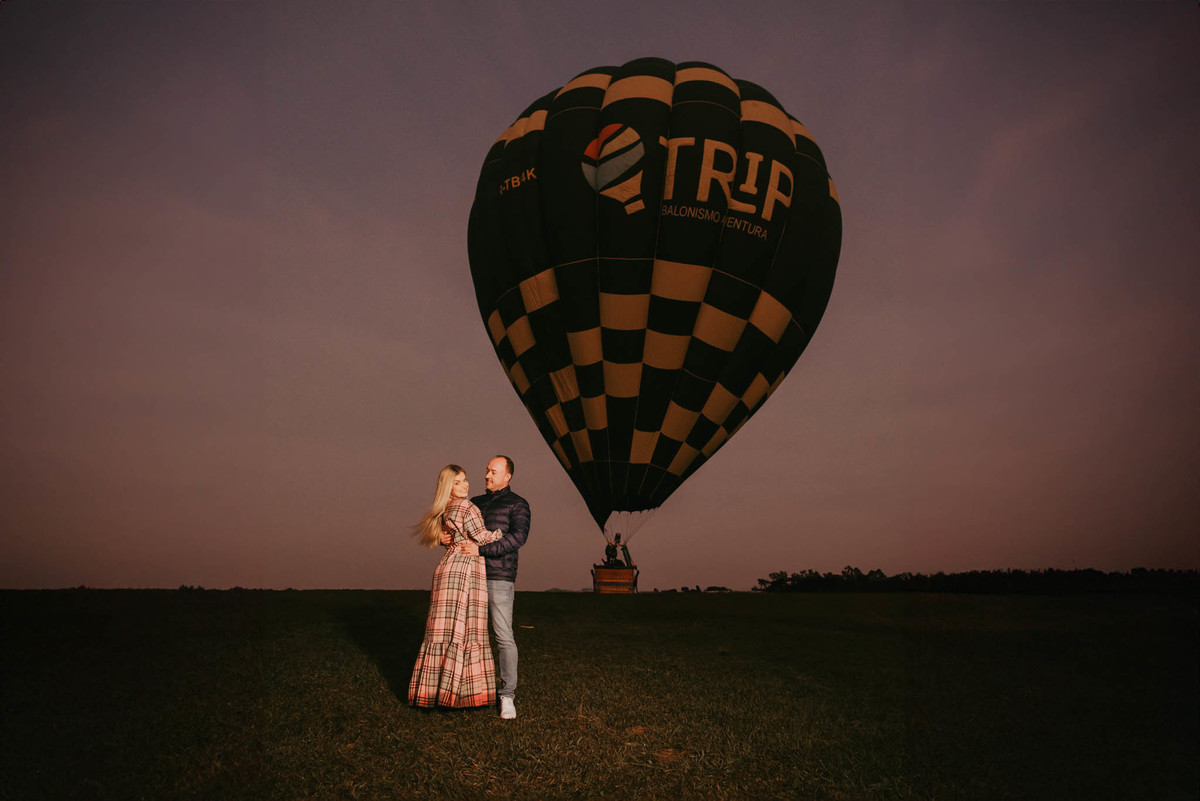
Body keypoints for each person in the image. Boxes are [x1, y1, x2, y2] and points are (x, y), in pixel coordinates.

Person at [407, 464, 505, 709]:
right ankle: (461, 694)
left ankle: (430, 693)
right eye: (458, 482)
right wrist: (505, 533)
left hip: (446, 570)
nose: (465, 485)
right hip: (465, 570)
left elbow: (451, 536)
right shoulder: (467, 506)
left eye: (465, 480)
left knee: (442, 631)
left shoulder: (446, 508)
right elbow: (482, 537)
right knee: (465, 629)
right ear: (448, 486)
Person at [444, 455, 530, 720]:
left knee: (503, 637)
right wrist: (442, 537)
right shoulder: (474, 503)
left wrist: (481, 550)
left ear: (508, 476)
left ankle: (507, 696)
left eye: (493, 471)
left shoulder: (518, 504)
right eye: (486, 470)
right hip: (469, 577)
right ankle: (469, 689)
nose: (487, 475)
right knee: (469, 637)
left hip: (499, 577)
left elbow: (518, 538)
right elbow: (455, 531)